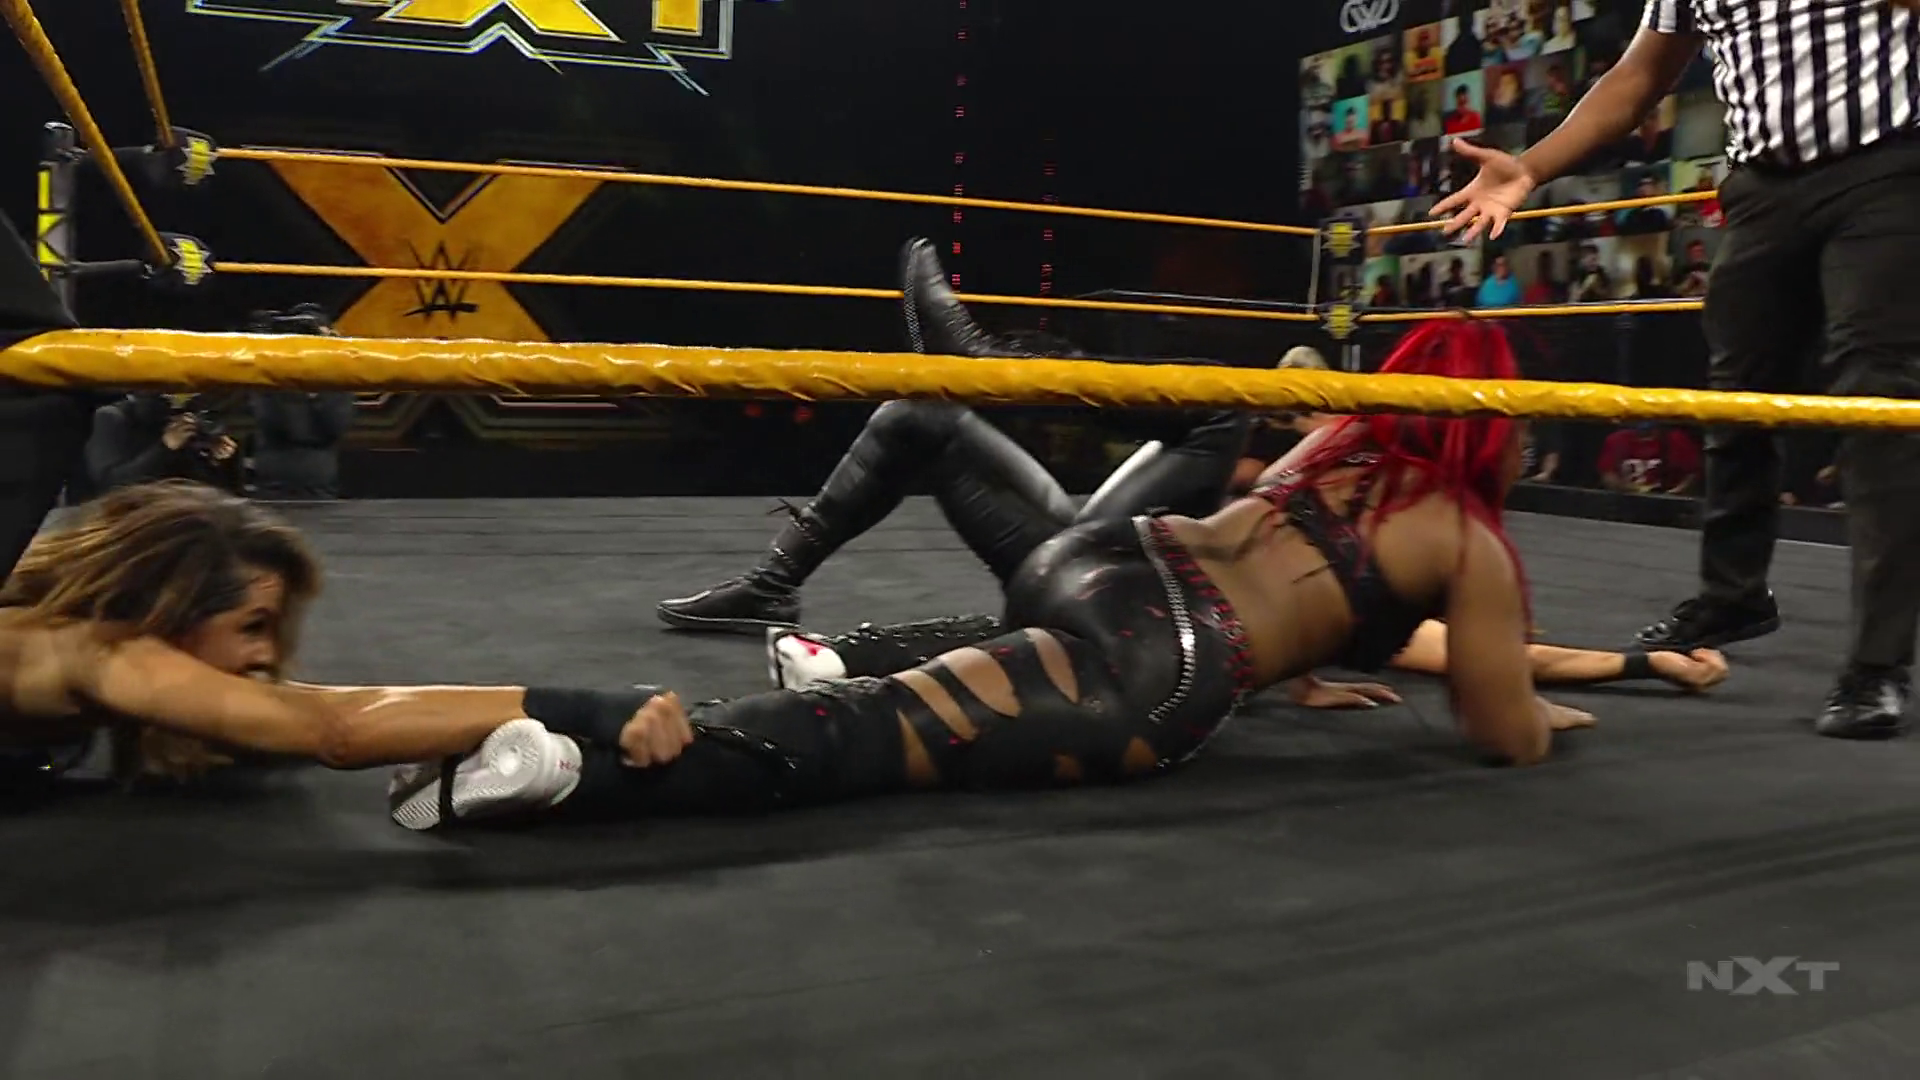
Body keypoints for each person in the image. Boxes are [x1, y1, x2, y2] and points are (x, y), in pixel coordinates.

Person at [390, 316, 1599, 831]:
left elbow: (1299, 582)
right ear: (1502, 422)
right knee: (867, 741)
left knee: (914, 688)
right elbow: (1502, 733)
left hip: (1102, 562)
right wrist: (1540, 713)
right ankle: (572, 778)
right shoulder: (1464, 537)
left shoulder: (1330, 448)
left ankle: (804, 646)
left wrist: (1317, 666)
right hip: (1156, 660)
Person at [1432, 0, 1920, 737]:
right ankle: (1733, 596)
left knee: (1876, 400)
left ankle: (1877, 664)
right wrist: (1529, 168)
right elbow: (1639, 75)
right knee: (1735, 394)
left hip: (1888, 169)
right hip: (1761, 187)